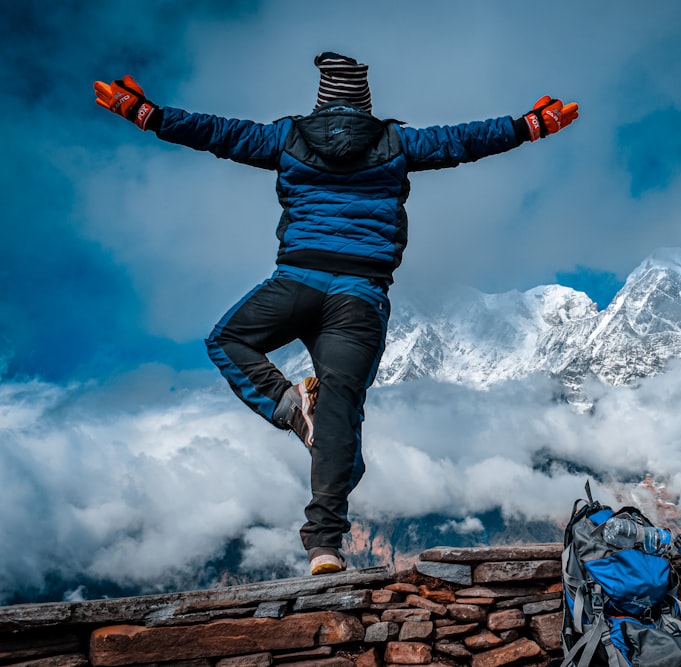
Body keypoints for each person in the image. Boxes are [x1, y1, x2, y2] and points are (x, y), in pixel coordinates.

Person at [94, 52, 579, 576]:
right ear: (367, 103)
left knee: (227, 340)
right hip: (360, 297)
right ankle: (324, 547)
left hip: (295, 283)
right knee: (340, 412)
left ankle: (287, 402)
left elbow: (216, 133)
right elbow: (463, 141)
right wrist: (528, 126)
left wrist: (147, 114)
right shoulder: (398, 143)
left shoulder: (286, 139)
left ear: (321, 99)